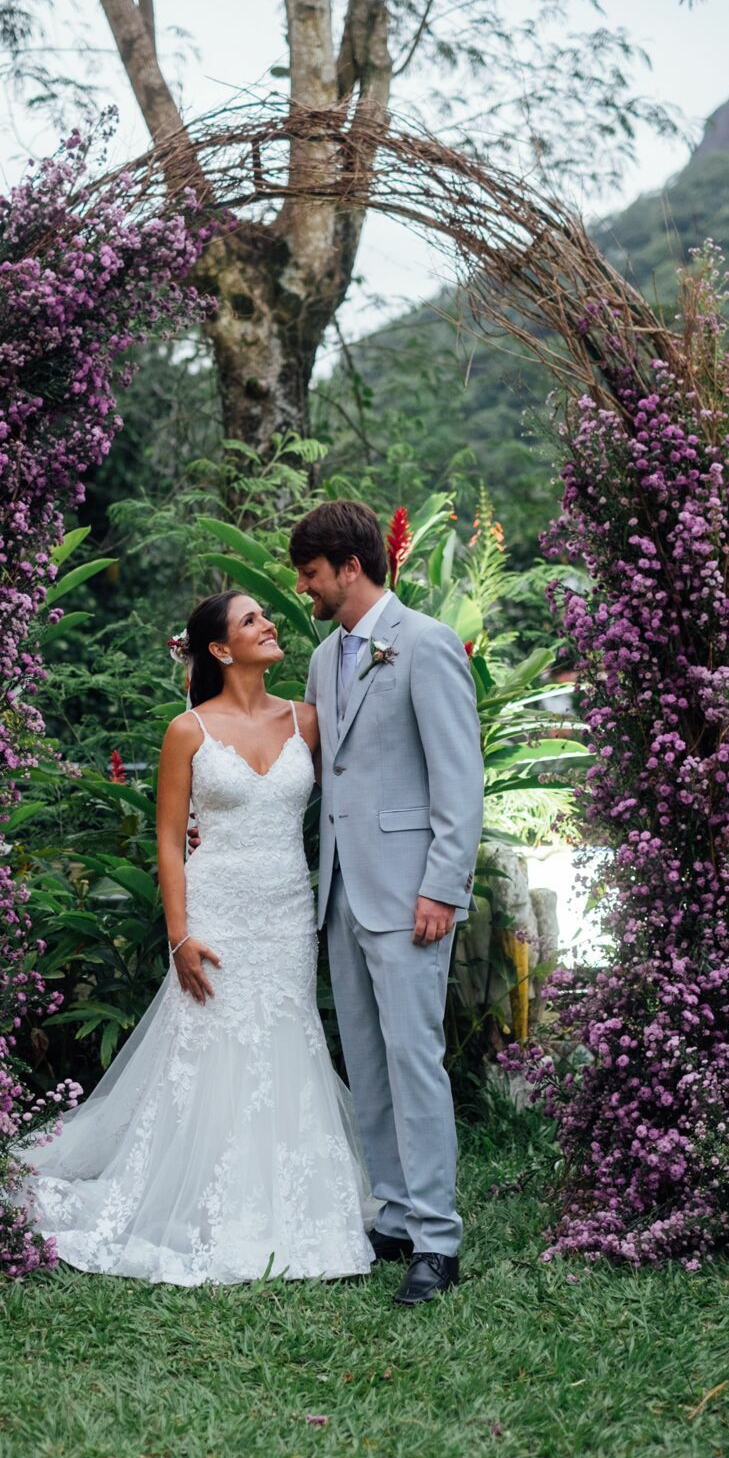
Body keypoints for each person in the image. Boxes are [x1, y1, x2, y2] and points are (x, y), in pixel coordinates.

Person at [15, 590, 374, 1285]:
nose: (268, 624)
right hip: (216, 912)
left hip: (285, 910)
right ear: (219, 648)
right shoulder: (188, 731)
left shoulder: (307, 720)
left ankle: (293, 1201)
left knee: (286, 1035)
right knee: (211, 1046)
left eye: (264, 616)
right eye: (250, 620)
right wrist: (179, 935)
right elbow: (169, 839)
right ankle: (195, 1198)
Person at [290, 500, 484, 1307]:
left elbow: (458, 778)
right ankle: (396, 1216)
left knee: (412, 1060)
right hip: (342, 888)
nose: (303, 588)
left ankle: (437, 1240)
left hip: (410, 896)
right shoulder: (320, 657)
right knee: (367, 1061)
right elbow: (319, 773)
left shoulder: (426, 644)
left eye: (310, 574)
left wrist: (441, 885)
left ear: (350, 567)